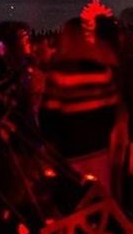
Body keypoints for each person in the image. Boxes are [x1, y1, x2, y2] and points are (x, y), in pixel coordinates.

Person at [40, 18, 119, 186]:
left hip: (71, 150)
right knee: (101, 193)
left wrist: (50, 144)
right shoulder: (102, 70)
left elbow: (49, 116)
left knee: (77, 195)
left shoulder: (59, 74)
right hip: (99, 147)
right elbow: (112, 110)